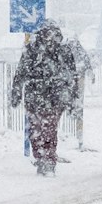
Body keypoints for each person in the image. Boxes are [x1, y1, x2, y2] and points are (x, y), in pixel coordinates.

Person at [9, 23, 80, 176]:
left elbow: (72, 76)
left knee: (46, 129)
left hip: (50, 98)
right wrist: (16, 93)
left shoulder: (61, 51)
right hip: (41, 97)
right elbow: (21, 73)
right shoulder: (33, 50)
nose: (50, 38)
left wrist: (72, 98)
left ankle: (47, 159)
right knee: (38, 130)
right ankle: (43, 158)